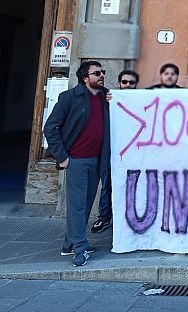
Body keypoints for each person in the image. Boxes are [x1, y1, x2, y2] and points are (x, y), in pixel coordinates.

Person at [43, 60, 110, 267]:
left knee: (86, 205)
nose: (101, 75)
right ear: (85, 78)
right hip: (76, 162)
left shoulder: (105, 97)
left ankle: (69, 244)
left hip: (97, 161)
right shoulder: (69, 98)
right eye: (97, 73)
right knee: (77, 206)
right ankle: (80, 249)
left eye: (103, 72)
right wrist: (62, 157)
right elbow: (50, 127)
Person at [92, 69, 139, 234]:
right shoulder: (109, 98)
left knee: (133, 184)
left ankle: (129, 218)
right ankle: (104, 217)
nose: (127, 85)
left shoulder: (140, 100)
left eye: (131, 82)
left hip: (133, 151)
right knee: (108, 184)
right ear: (119, 83)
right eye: (124, 82)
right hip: (112, 150)